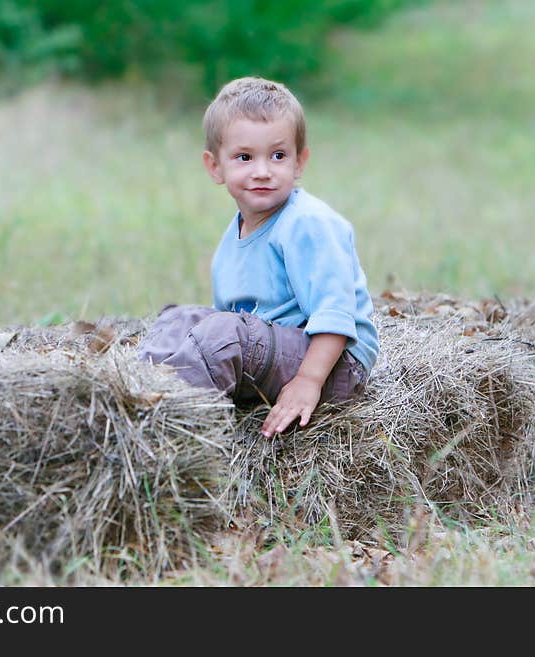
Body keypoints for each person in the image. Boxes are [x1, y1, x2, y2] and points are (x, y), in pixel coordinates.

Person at [137, 76, 379, 438]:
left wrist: (308, 381)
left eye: (278, 156)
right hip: (278, 351)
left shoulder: (308, 223)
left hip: (334, 365)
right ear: (215, 166)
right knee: (178, 319)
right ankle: (135, 397)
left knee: (222, 335)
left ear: (300, 162)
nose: (263, 171)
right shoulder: (229, 242)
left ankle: (174, 433)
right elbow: (237, 322)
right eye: (244, 157)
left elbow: (336, 311)